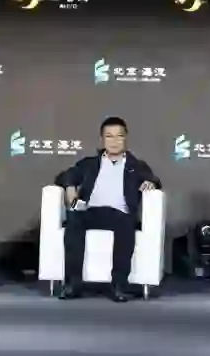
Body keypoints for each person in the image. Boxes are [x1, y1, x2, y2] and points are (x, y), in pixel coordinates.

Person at [54, 116, 161, 302]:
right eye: (109, 136)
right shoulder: (89, 164)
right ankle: (72, 284)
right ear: (102, 140)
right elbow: (65, 175)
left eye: (119, 136)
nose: (114, 141)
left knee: (125, 224)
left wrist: (150, 183)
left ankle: (118, 285)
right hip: (91, 211)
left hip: (120, 214)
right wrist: (70, 187)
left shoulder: (136, 166)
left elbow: (155, 180)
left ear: (125, 138)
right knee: (73, 219)